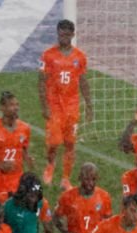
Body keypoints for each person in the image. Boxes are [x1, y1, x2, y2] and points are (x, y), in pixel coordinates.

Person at [38, 19, 93, 190]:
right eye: (61, 34)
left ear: (72, 35)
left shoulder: (80, 57)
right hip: (54, 107)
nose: (64, 37)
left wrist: (89, 105)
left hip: (72, 107)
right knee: (54, 143)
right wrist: (44, 106)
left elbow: (83, 81)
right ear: (57, 33)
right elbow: (41, 82)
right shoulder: (48, 55)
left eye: (67, 34)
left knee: (70, 143)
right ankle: (50, 166)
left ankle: (65, 179)